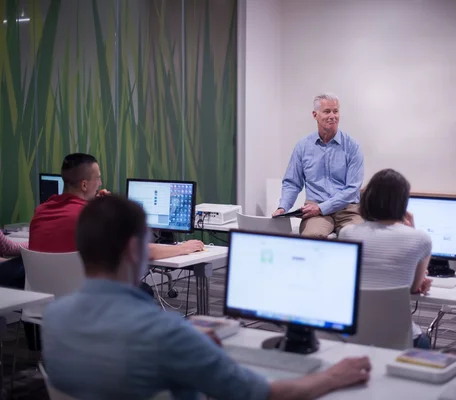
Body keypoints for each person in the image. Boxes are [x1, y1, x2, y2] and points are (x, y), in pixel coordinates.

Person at [42, 196, 372, 400]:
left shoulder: (53, 318)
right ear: (133, 249)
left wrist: (190, 344)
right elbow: (261, 394)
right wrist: (331, 376)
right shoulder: (165, 333)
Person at [29, 153, 204, 259]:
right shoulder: (91, 218)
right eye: (97, 178)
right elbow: (144, 251)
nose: (100, 183)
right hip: (87, 303)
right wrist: (183, 248)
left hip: (44, 303)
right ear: (84, 185)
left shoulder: (41, 211)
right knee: (143, 292)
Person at [338, 169, 433, 349]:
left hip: (352, 334)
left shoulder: (347, 233)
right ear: (403, 203)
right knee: (423, 340)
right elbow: (413, 288)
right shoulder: (421, 239)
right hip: (401, 339)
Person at [273, 93, 364, 238]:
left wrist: (322, 208)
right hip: (314, 208)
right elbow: (292, 182)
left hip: (347, 209)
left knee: (359, 237)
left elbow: (352, 189)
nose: (332, 116)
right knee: (312, 237)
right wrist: (283, 207)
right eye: (327, 111)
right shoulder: (303, 146)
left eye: (336, 111)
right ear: (315, 115)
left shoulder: (352, 146)